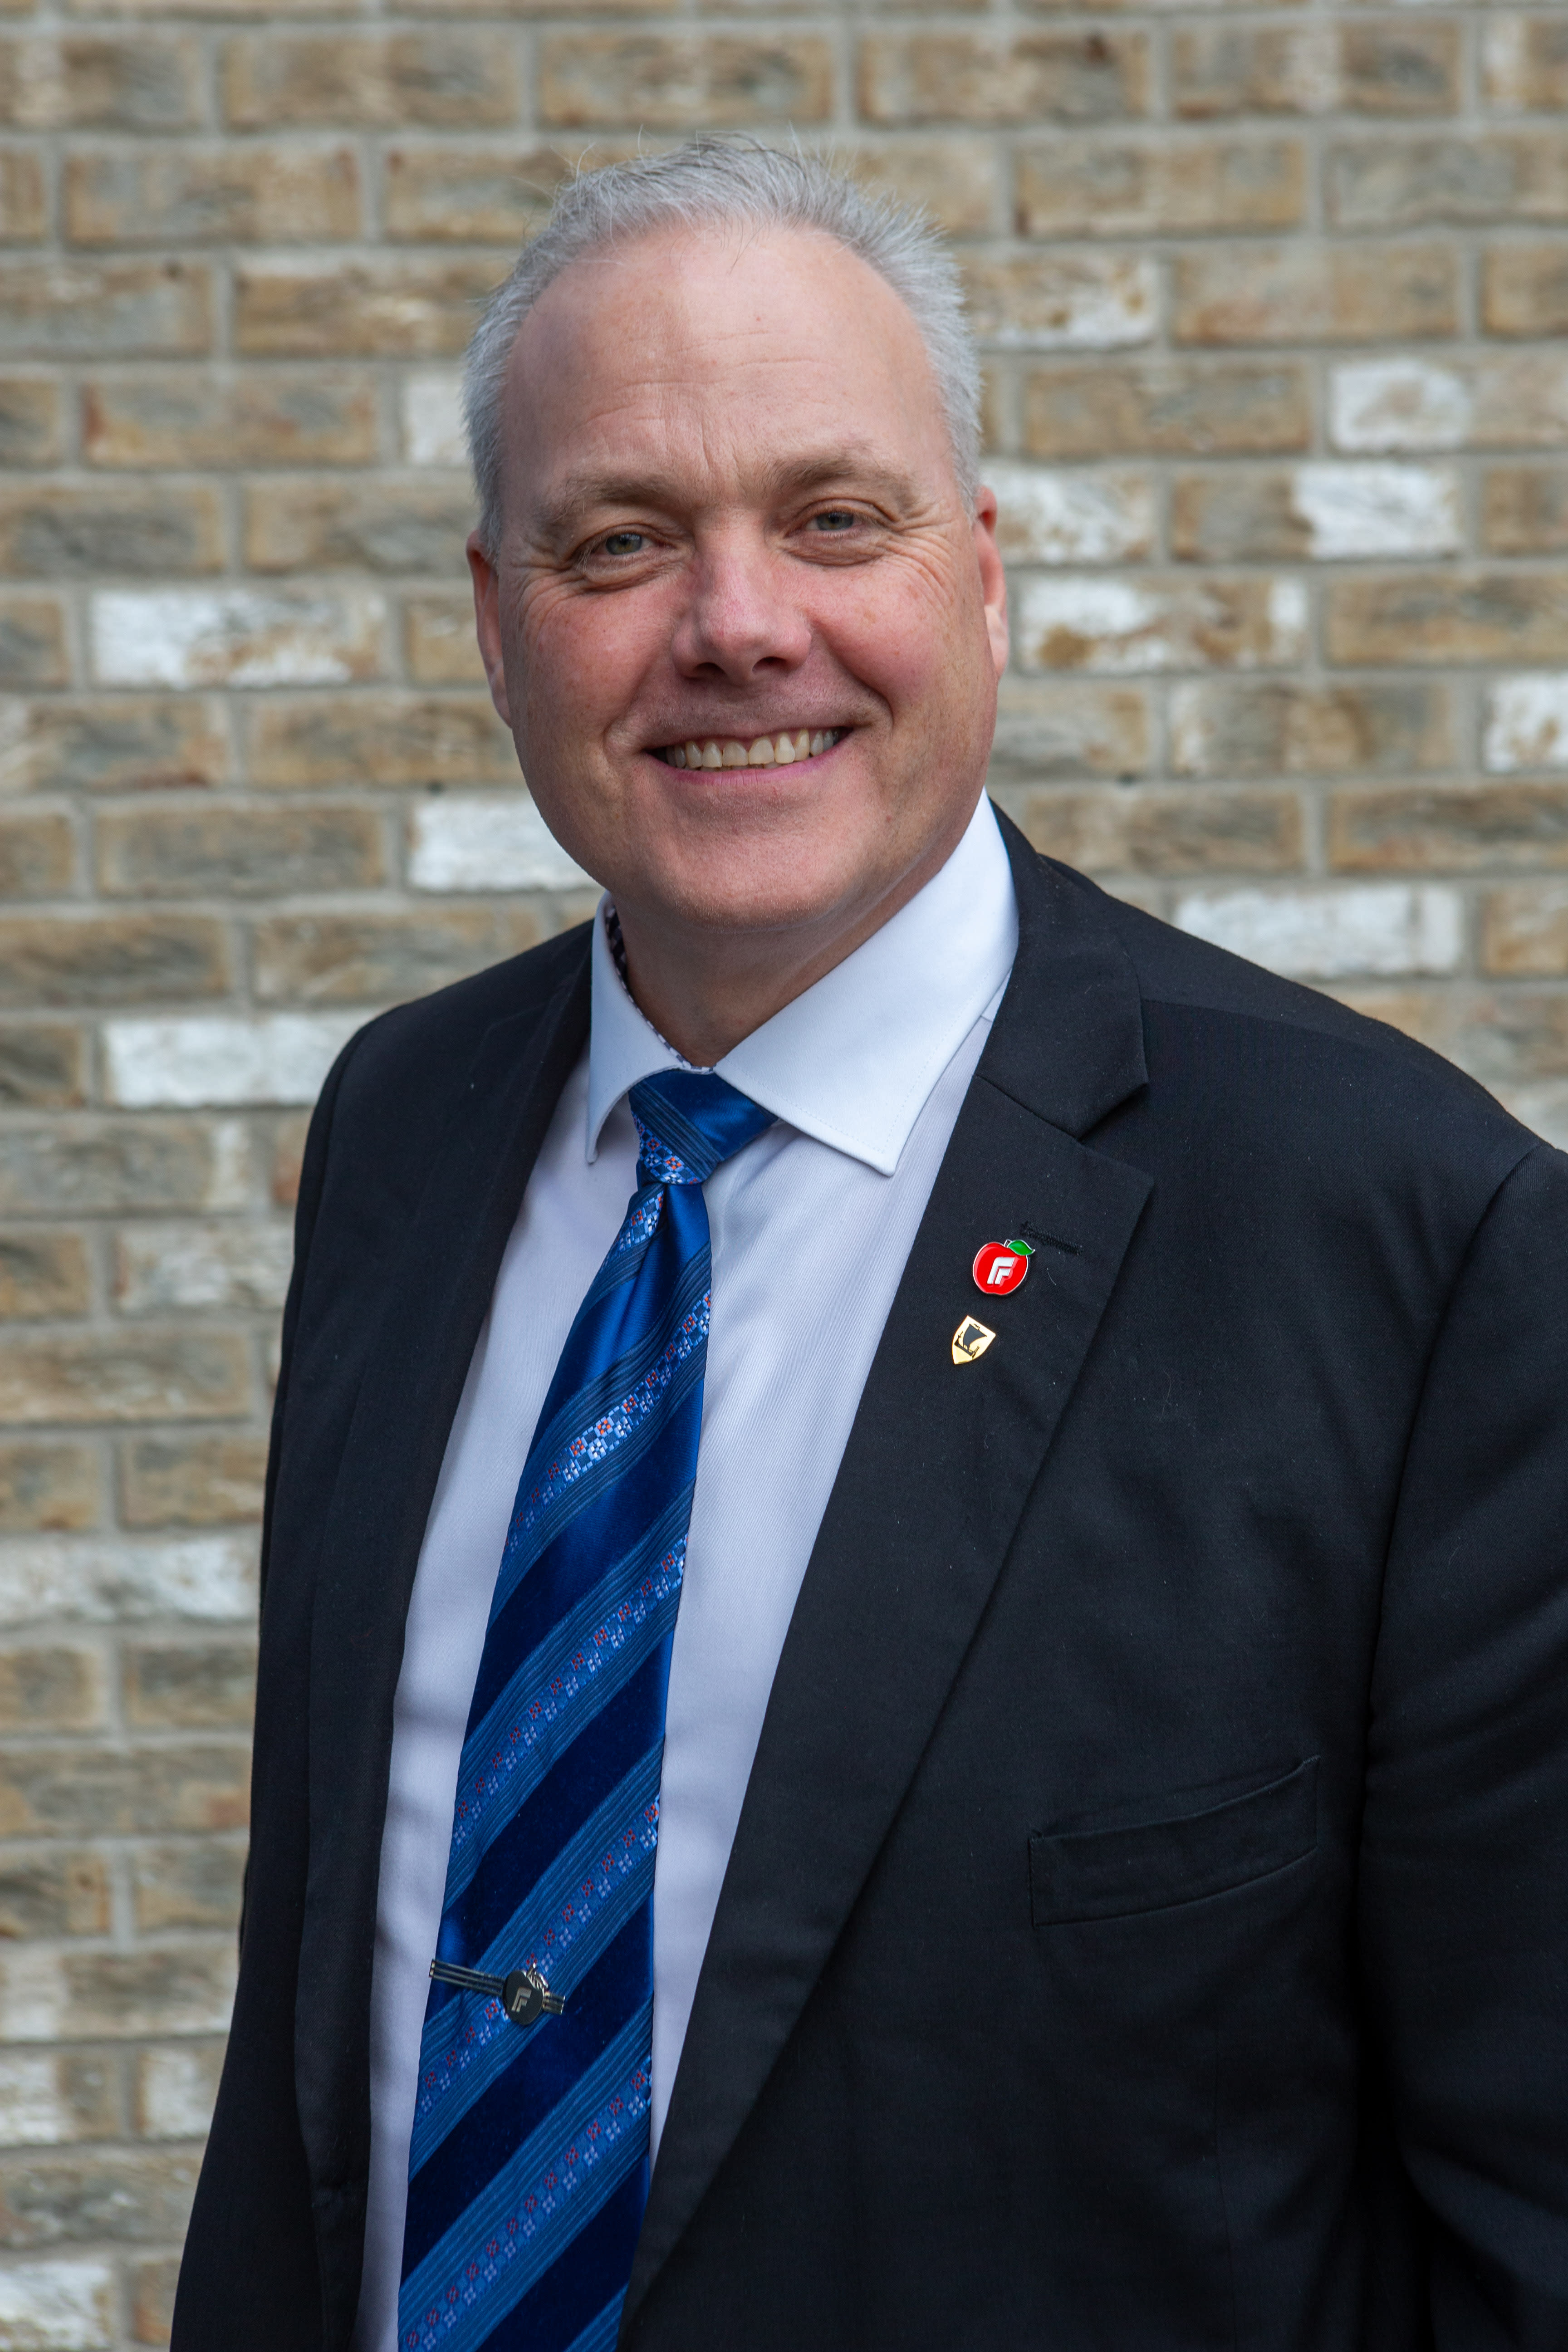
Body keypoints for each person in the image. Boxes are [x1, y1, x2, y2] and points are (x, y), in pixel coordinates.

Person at [172, 142, 1568, 2352]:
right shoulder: (402, 1132)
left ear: (981, 578)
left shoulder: (1401, 1238)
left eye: (835, 518)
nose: (739, 623)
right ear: (495, 621)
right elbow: (317, 2038)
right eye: (621, 541)